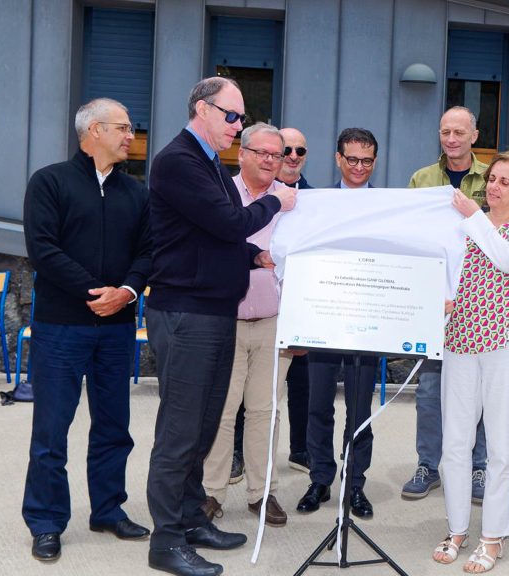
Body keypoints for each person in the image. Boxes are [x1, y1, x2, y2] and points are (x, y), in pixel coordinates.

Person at [144, 77, 297, 576]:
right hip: (187, 312)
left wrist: (255, 256)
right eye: (231, 116)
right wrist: (277, 202)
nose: (237, 124)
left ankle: (191, 519)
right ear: (202, 109)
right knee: (180, 431)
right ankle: (166, 542)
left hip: (211, 311)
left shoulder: (205, 161)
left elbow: (214, 236)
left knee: (205, 427)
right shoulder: (178, 160)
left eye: (241, 117)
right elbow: (230, 222)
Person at [22, 98, 152, 563]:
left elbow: (148, 251)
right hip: (61, 328)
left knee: (115, 426)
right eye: (123, 128)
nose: (130, 136)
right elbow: (43, 250)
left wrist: (127, 292)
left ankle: (108, 510)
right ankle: (45, 521)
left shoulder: (136, 192)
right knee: (52, 429)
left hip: (116, 329)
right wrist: (96, 291)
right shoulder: (50, 182)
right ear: (94, 130)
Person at [433, 150, 509, 574]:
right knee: (455, 443)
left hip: (506, 342)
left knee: (500, 446)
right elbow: (451, 272)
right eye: (491, 179)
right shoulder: (466, 225)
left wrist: (472, 218)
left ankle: (493, 536)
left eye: (504, 181)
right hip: (461, 337)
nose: (493, 187)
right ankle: (457, 529)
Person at [199, 123, 295, 528]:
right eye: (263, 153)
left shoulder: (292, 202)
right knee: (221, 409)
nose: (272, 160)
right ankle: (210, 492)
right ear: (243, 153)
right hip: (227, 320)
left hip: (275, 321)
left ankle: (262, 493)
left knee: (265, 410)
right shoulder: (221, 194)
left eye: (279, 154)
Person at [402, 106, 489, 502]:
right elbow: (409, 236)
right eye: (444, 132)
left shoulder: (493, 178)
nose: (451, 139)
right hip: (435, 303)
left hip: (479, 301)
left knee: (481, 393)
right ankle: (427, 464)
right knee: (429, 390)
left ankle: (479, 468)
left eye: (459, 132)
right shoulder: (422, 180)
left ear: (474, 135)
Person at [295, 127, 380, 519]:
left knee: (360, 411)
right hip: (325, 317)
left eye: (366, 160)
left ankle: (356, 485)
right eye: (352, 159)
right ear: (337, 159)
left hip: (369, 321)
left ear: (374, 162)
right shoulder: (316, 203)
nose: (359, 167)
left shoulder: (387, 206)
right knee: (318, 406)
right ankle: (320, 479)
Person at [277, 126, 312, 474]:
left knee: (302, 383)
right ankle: (239, 452)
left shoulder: (317, 199)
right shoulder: (255, 191)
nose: (292, 156)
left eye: (299, 151)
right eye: (286, 149)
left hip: (302, 306)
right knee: (247, 391)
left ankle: (300, 449)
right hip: (257, 303)